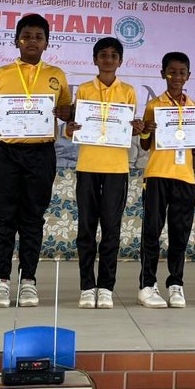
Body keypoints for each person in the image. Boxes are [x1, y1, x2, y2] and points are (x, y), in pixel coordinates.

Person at [0, 14, 72, 309]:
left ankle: (28, 280)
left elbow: (67, 111)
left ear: (47, 43)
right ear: (16, 40)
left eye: (38, 37)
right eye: (26, 36)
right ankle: (0, 280)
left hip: (41, 153)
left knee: (33, 218)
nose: (32, 41)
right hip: (5, 152)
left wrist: (67, 114)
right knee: (3, 218)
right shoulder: (1, 73)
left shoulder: (57, 75)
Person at [65, 37, 142, 310]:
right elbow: (76, 126)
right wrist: (70, 130)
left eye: (113, 56)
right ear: (94, 59)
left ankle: (106, 287)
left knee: (111, 229)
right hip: (87, 166)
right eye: (103, 55)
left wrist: (135, 128)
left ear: (120, 61)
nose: (108, 60)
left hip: (117, 168)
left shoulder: (129, 91)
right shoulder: (84, 90)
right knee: (86, 229)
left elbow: (130, 128)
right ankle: (87, 286)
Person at [137, 52, 195, 308]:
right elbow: (145, 145)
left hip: (185, 177)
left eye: (181, 72)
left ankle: (176, 284)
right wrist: (146, 131)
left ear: (188, 76)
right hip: (157, 175)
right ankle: (147, 284)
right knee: (152, 232)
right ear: (163, 73)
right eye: (172, 72)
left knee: (179, 234)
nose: (176, 76)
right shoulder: (154, 106)